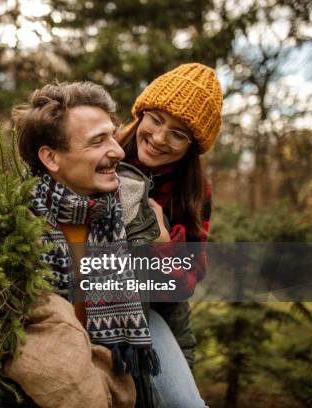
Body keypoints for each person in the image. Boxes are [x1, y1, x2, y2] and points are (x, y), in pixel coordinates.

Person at [4, 81, 187, 407]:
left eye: (113, 136)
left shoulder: (137, 214)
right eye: (98, 141)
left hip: (128, 384)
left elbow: (170, 314)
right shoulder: (13, 226)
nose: (118, 150)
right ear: (50, 157)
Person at [117, 62, 223, 407]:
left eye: (179, 133)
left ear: (194, 145)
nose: (160, 138)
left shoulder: (193, 193)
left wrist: (162, 242)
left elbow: (186, 284)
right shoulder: (103, 152)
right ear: (142, 112)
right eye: (156, 119)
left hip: (153, 313)